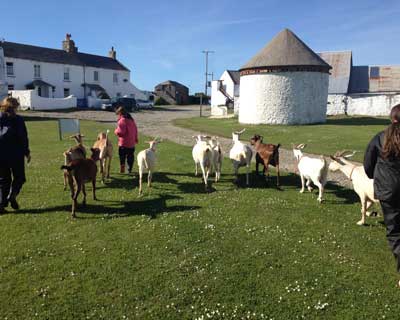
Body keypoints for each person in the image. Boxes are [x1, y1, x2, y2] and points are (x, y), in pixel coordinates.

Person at [364, 104, 400, 286]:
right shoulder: (381, 138)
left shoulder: (380, 138)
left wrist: (375, 177)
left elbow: (368, 165)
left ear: (391, 118)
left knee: (395, 232)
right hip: (390, 190)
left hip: (388, 191)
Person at [0, 97, 30, 213]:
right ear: (16, 106)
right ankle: (12, 195)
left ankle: (1, 205)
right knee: (19, 177)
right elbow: (23, 137)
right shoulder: (18, 120)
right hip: (16, 153)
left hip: (1, 153)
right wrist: (26, 152)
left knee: (3, 180)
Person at [114, 106, 138, 174]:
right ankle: (129, 169)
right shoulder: (131, 120)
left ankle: (122, 169)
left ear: (120, 113)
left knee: (122, 157)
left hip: (124, 143)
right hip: (131, 143)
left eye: (118, 114)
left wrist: (115, 131)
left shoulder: (122, 120)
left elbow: (121, 133)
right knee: (130, 157)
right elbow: (135, 130)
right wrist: (135, 138)